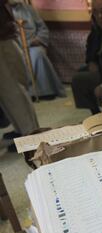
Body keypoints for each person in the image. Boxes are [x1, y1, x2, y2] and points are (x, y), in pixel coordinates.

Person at [0, 0, 39, 147]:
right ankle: (22, 131)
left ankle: (32, 136)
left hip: (2, 38)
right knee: (6, 94)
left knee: (12, 90)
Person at [10, 0, 65, 99]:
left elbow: (42, 28)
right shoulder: (4, 14)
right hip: (14, 46)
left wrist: (38, 39)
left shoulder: (29, 9)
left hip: (32, 44)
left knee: (38, 54)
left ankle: (46, 91)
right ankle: (28, 93)